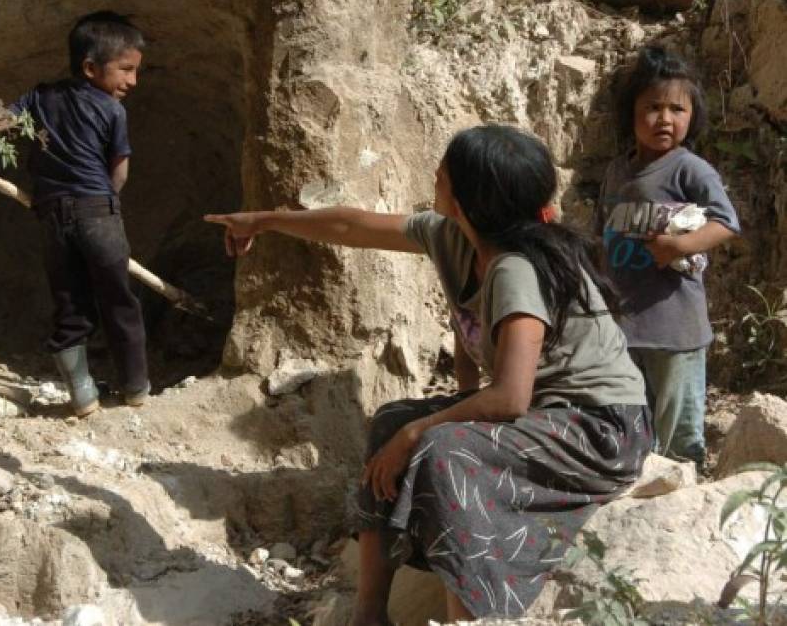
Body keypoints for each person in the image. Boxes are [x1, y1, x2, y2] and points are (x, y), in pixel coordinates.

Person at [205, 125, 651, 622]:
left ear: (469, 199)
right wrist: (262, 222)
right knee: (391, 421)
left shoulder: (516, 270)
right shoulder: (453, 237)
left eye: (445, 171)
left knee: (441, 448)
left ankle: (466, 617)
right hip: (549, 414)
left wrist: (424, 430)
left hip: (602, 428)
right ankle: (370, 613)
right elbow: (353, 228)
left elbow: (509, 399)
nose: (435, 175)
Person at [0, 11, 151, 416]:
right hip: (98, 213)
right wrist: (107, 202)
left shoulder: (40, 97)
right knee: (118, 299)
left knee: (70, 301)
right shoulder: (113, 111)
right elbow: (119, 169)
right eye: (126, 70)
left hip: (52, 218)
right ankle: (136, 388)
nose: (132, 82)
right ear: (90, 67)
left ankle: (83, 395)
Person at [595, 45, 739, 467]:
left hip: (676, 330)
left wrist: (679, 246)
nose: (665, 118)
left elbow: (726, 222)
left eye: (677, 108)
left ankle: (683, 495)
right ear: (631, 111)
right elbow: (602, 234)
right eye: (653, 106)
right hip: (625, 326)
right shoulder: (617, 172)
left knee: (678, 431)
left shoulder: (689, 169)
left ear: (692, 115)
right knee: (630, 423)